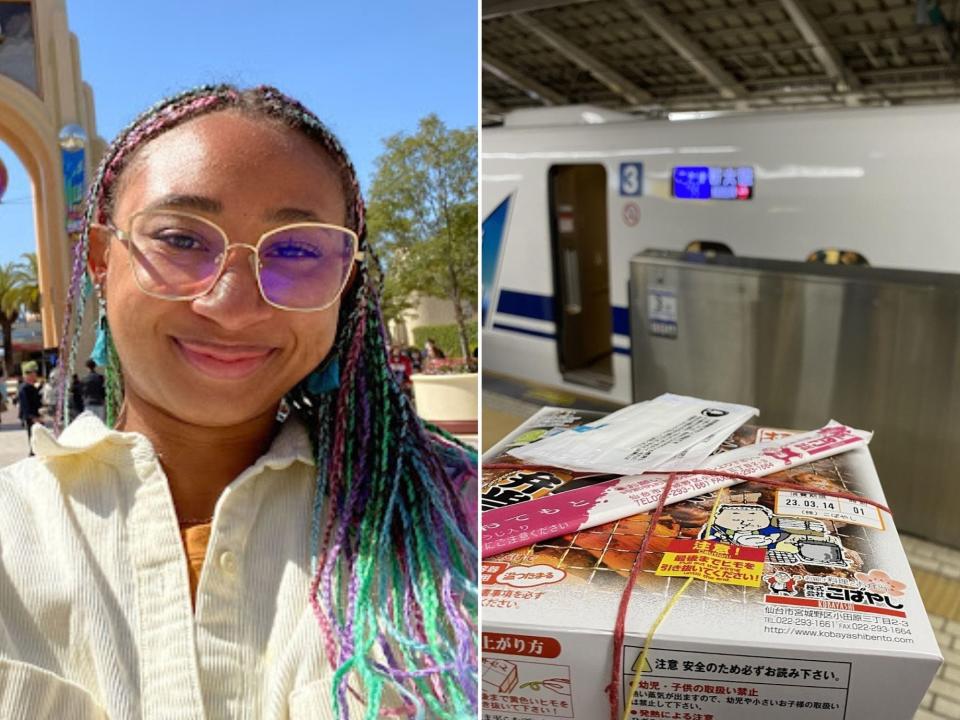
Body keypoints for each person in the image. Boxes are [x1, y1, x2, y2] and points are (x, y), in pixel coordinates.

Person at [0, 85, 476, 719]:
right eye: (181, 239)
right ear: (99, 259)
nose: (232, 305)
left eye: (298, 250)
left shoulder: (455, 523)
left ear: (347, 283)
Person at [16, 360, 42, 455]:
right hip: (31, 418)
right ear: (28, 375)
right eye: (34, 373)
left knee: (38, 438)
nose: (35, 375)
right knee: (34, 439)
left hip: (36, 416)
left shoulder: (31, 387)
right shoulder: (24, 388)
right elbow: (25, 405)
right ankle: (33, 455)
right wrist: (32, 417)